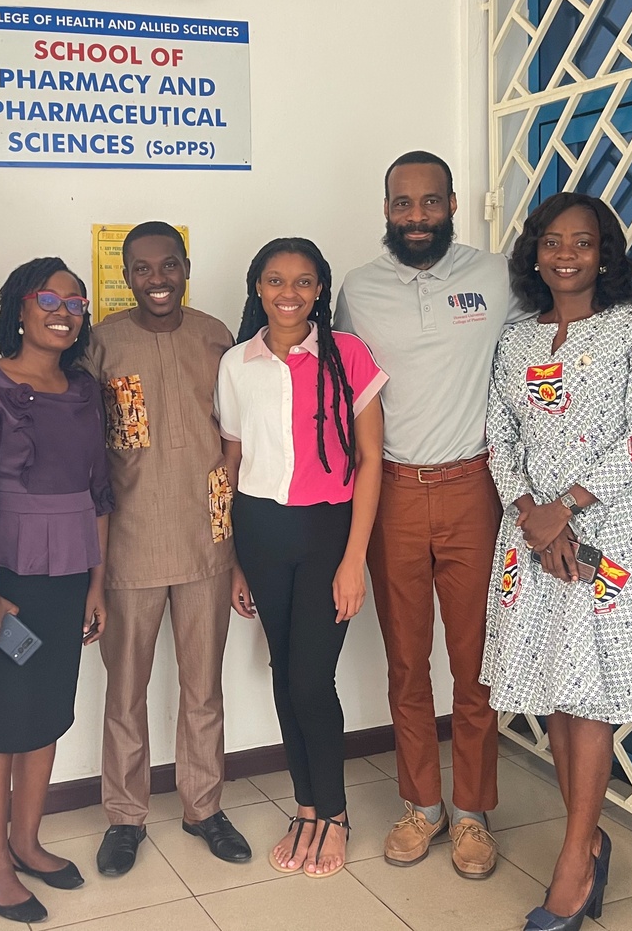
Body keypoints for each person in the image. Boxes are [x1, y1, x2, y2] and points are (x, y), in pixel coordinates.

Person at [334, 150, 632, 879]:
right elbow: (336, 375)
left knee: (477, 665)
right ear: (386, 210)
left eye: (430, 201)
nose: (417, 215)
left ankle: (472, 814)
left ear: (452, 205)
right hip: (397, 489)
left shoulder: (497, 277)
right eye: (403, 203)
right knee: (406, 661)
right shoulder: (358, 289)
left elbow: (613, 365)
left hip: (476, 489)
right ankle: (421, 805)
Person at [483, 192, 632, 931]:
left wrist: (565, 508)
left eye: (582, 241)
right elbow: (499, 437)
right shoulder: (515, 340)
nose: (566, 254)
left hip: (612, 531)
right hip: (532, 537)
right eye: (552, 240)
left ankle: (574, 859)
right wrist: (532, 516)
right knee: (555, 688)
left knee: (591, 693)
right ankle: (590, 840)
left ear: (605, 254)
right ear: (534, 252)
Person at [215, 238, 387, 879]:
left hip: (326, 534)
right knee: (286, 676)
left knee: (312, 680)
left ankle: (335, 815)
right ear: (257, 287)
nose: (289, 293)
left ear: (320, 290)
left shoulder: (348, 354)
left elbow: (370, 459)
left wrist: (353, 559)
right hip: (260, 532)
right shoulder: (237, 364)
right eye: (275, 280)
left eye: (304, 282)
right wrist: (235, 561)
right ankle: (306, 808)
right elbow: (232, 463)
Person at [85, 222, 251, 876]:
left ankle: (203, 807)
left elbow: (238, 443)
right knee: (125, 692)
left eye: (168, 265)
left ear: (186, 267)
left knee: (203, 688)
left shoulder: (216, 338)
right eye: (143, 268)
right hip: (129, 545)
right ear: (126, 275)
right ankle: (125, 816)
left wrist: (239, 552)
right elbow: (84, 444)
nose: (157, 278)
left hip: (208, 541)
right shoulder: (103, 343)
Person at [0, 258, 113, 924]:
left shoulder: (85, 388)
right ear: (18, 308)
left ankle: (26, 841)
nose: (62, 311)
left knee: (44, 713)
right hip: (4, 580)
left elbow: (100, 493)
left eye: (75, 302)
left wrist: (97, 584)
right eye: (48, 298)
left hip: (69, 574)